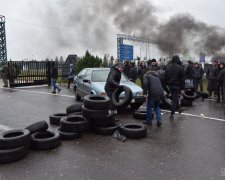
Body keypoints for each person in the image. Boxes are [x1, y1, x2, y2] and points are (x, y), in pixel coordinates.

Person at [165, 55, 185, 120]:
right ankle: (172, 114)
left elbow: (166, 77)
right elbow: (182, 79)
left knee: (175, 98)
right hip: (177, 86)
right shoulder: (180, 67)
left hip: (170, 86)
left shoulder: (168, 67)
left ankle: (179, 108)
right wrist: (182, 88)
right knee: (174, 99)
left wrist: (167, 84)